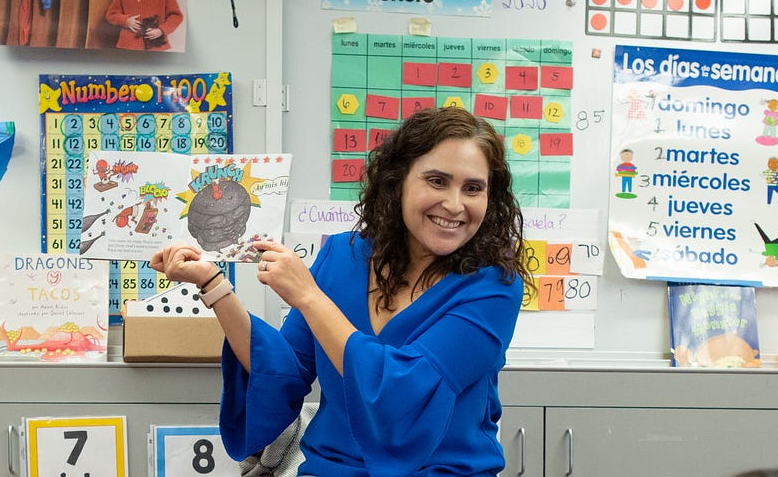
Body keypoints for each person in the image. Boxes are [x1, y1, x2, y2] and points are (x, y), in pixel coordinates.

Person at [150, 107, 530, 475]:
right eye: (436, 180)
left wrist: (309, 297)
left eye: (473, 188)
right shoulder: (341, 256)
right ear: (397, 181)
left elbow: (401, 393)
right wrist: (214, 284)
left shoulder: (493, 286)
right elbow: (282, 370)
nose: (454, 203)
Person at [104, 0, 184, 51]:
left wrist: (162, 30)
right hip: (127, 45)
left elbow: (176, 16)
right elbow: (111, 14)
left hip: (156, 44)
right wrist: (125, 20)